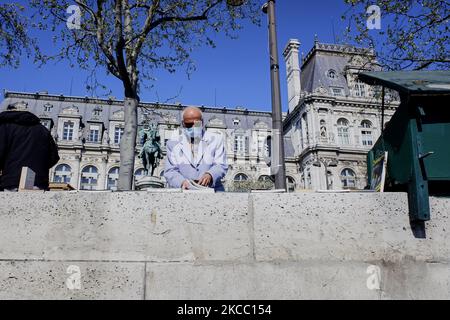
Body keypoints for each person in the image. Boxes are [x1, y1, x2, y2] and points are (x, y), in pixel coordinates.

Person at [164, 107, 228, 191]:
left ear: (202, 122)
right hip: (184, 193)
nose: (194, 127)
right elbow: (170, 171)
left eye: (197, 123)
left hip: (213, 191)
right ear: (183, 124)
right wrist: (182, 182)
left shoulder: (216, 139)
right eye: (189, 124)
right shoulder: (172, 143)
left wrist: (210, 175)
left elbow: (221, 165)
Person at [0, 103, 60, 191]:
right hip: (39, 184)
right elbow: (54, 157)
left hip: (11, 182)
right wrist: (39, 168)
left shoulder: (5, 127)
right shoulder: (43, 130)